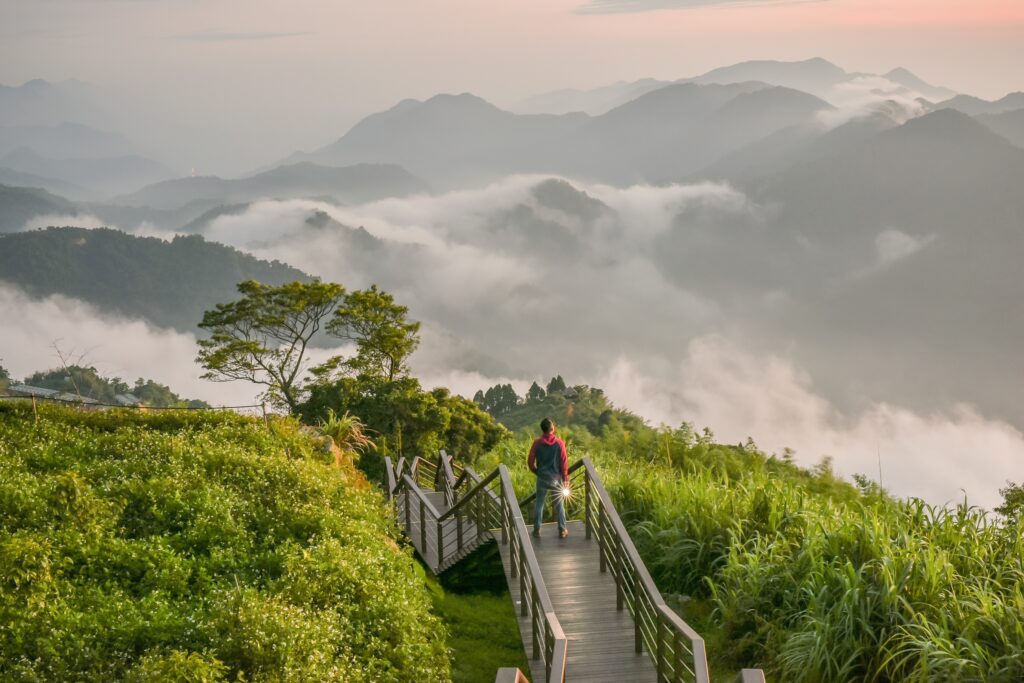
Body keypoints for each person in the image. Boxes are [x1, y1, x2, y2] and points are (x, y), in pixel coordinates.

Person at [528, 417, 569, 538]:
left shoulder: (537, 442)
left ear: (543, 429)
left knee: (539, 504)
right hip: (556, 479)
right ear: (552, 428)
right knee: (559, 505)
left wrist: (537, 472)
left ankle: (536, 530)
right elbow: (564, 463)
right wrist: (566, 479)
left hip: (542, 478)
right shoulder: (559, 443)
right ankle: (562, 530)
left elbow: (530, 462)